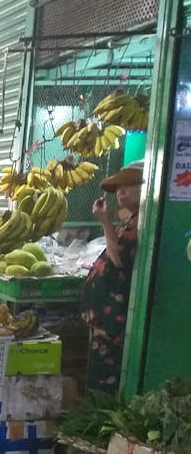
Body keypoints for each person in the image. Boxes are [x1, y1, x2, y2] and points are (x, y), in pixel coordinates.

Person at [82, 161, 143, 395]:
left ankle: (99, 426)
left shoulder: (139, 222)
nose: (120, 191)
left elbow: (118, 258)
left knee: (103, 381)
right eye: (118, 188)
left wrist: (104, 220)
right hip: (104, 321)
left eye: (128, 185)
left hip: (112, 322)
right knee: (97, 376)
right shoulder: (133, 219)